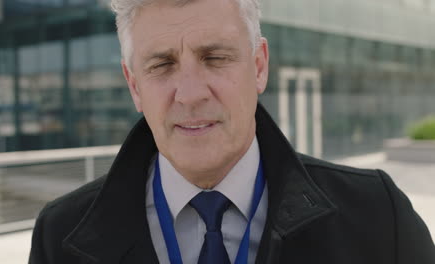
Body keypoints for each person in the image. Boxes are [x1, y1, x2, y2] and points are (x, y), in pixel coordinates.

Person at [28, 0, 435, 263]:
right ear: (134, 85)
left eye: (215, 57)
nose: (189, 95)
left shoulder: (379, 218)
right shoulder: (59, 237)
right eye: (161, 65)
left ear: (258, 66)